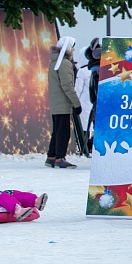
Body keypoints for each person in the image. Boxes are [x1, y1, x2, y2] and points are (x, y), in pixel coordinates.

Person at [47, 36, 82, 169]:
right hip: (63, 103)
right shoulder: (65, 63)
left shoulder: (54, 62)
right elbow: (67, 86)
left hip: (55, 102)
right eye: (73, 46)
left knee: (57, 130)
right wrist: (76, 103)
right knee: (63, 132)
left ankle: (51, 156)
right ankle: (60, 158)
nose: (73, 49)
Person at [75, 37, 101, 150]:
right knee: (92, 126)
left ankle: (85, 146)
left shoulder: (84, 71)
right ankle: (89, 146)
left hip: (86, 103)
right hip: (92, 102)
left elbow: (78, 89)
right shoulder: (95, 71)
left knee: (86, 126)